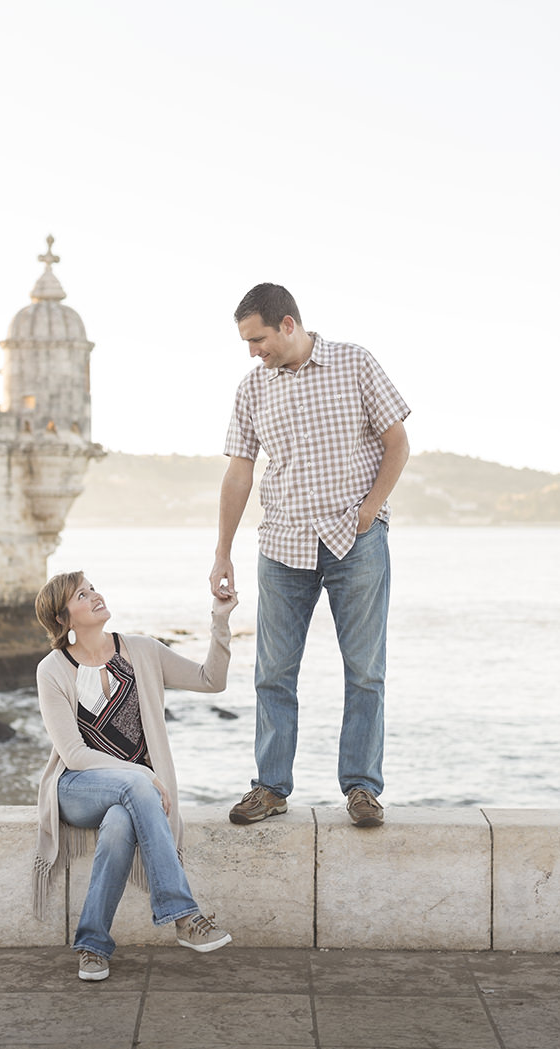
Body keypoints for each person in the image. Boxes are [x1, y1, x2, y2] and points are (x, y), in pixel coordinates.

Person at [211, 283, 410, 829]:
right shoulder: (252, 389)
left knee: (365, 671)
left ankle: (363, 789)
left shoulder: (355, 363)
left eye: (258, 339)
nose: (254, 351)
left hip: (356, 540)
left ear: (288, 324)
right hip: (282, 544)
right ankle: (270, 787)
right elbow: (239, 472)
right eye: (248, 343)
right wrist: (222, 552)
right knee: (273, 672)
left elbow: (398, 443)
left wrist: (371, 509)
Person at [32, 570, 236, 981]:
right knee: (136, 783)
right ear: (63, 619)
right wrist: (141, 774)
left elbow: (210, 681)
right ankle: (183, 916)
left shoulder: (141, 650)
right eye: (81, 595)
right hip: (77, 788)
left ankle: (92, 946)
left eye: (93, 589)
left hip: (131, 796)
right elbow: (73, 754)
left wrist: (221, 620)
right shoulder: (52, 669)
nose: (95, 596)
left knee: (121, 823)